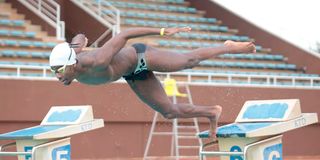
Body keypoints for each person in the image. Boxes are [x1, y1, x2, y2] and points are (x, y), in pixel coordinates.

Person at [49, 27, 256, 139]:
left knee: (187, 62)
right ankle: (211, 112)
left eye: (59, 71)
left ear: (72, 64)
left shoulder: (98, 60)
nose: (58, 77)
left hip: (140, 56)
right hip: (132, 74)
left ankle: (228, 47)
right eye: (54, 72)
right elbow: (79, 37)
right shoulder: (71, 57)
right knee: (169, 112)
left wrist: (163, 31)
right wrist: (78, 41)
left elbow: (125, 34)